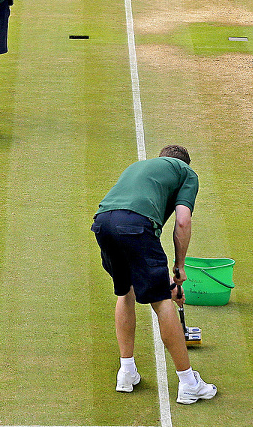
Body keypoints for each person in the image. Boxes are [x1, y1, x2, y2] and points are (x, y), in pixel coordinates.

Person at [91, 145, 217, 405]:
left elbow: (138, 248)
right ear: (185, 163)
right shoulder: (186, 173)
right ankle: (189, 384)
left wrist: (166, 279)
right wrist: (179, 267)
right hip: (135, 225)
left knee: (126, 290)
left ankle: (126, 373)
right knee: (161, 300)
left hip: (103, 223)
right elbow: (183, 221)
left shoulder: (139, 167)